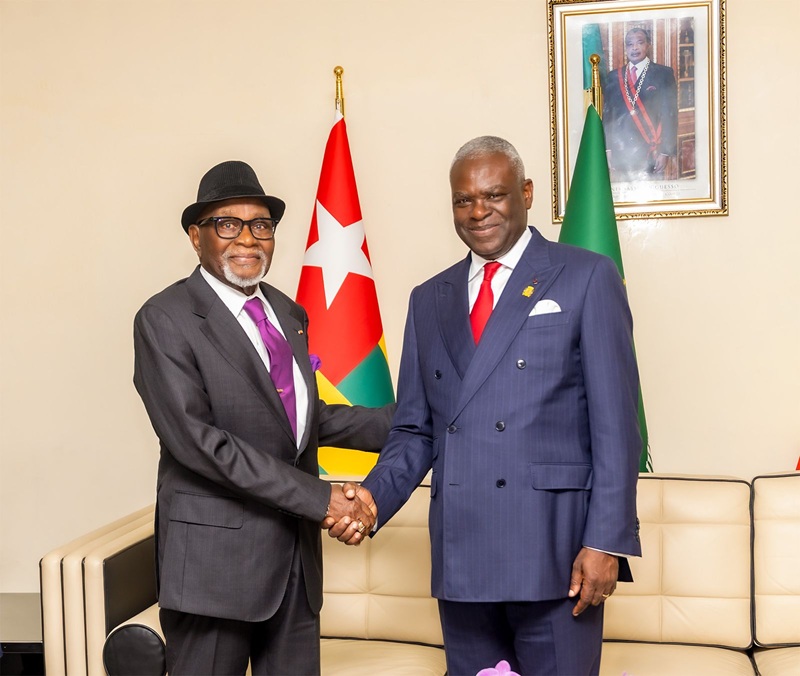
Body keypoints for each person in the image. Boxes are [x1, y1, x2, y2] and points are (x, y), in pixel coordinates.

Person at [330, 137, 642, 675]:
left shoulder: (587, 276)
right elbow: (415, 430)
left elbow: (616, 426)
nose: (478, 212)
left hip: (555, 550)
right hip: (463, 552)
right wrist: (372, 501)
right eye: (464, 200)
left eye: (494, 195)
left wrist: (605, 542)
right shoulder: (429, 298)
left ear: (526, 193)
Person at [133, 160, 394, 675]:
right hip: (214, 572)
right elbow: (200, 443)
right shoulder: (164, 319)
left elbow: (301, 421)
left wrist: (420, 422)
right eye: (227, 224)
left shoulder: (288, 312)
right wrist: (320, 498)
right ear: (196, 236)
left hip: (295, 567)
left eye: (261, 225)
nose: (248, 238)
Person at [602, 27, 678, 181]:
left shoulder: (663, 74)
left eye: (640, 43)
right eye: (630, 44)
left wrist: (665, 152)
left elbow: (670, 115)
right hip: (621, 152)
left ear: (648, 45)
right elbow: (608, 116)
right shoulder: (613, 77)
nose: (634, 48)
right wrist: (607, 149)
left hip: (651, 152)